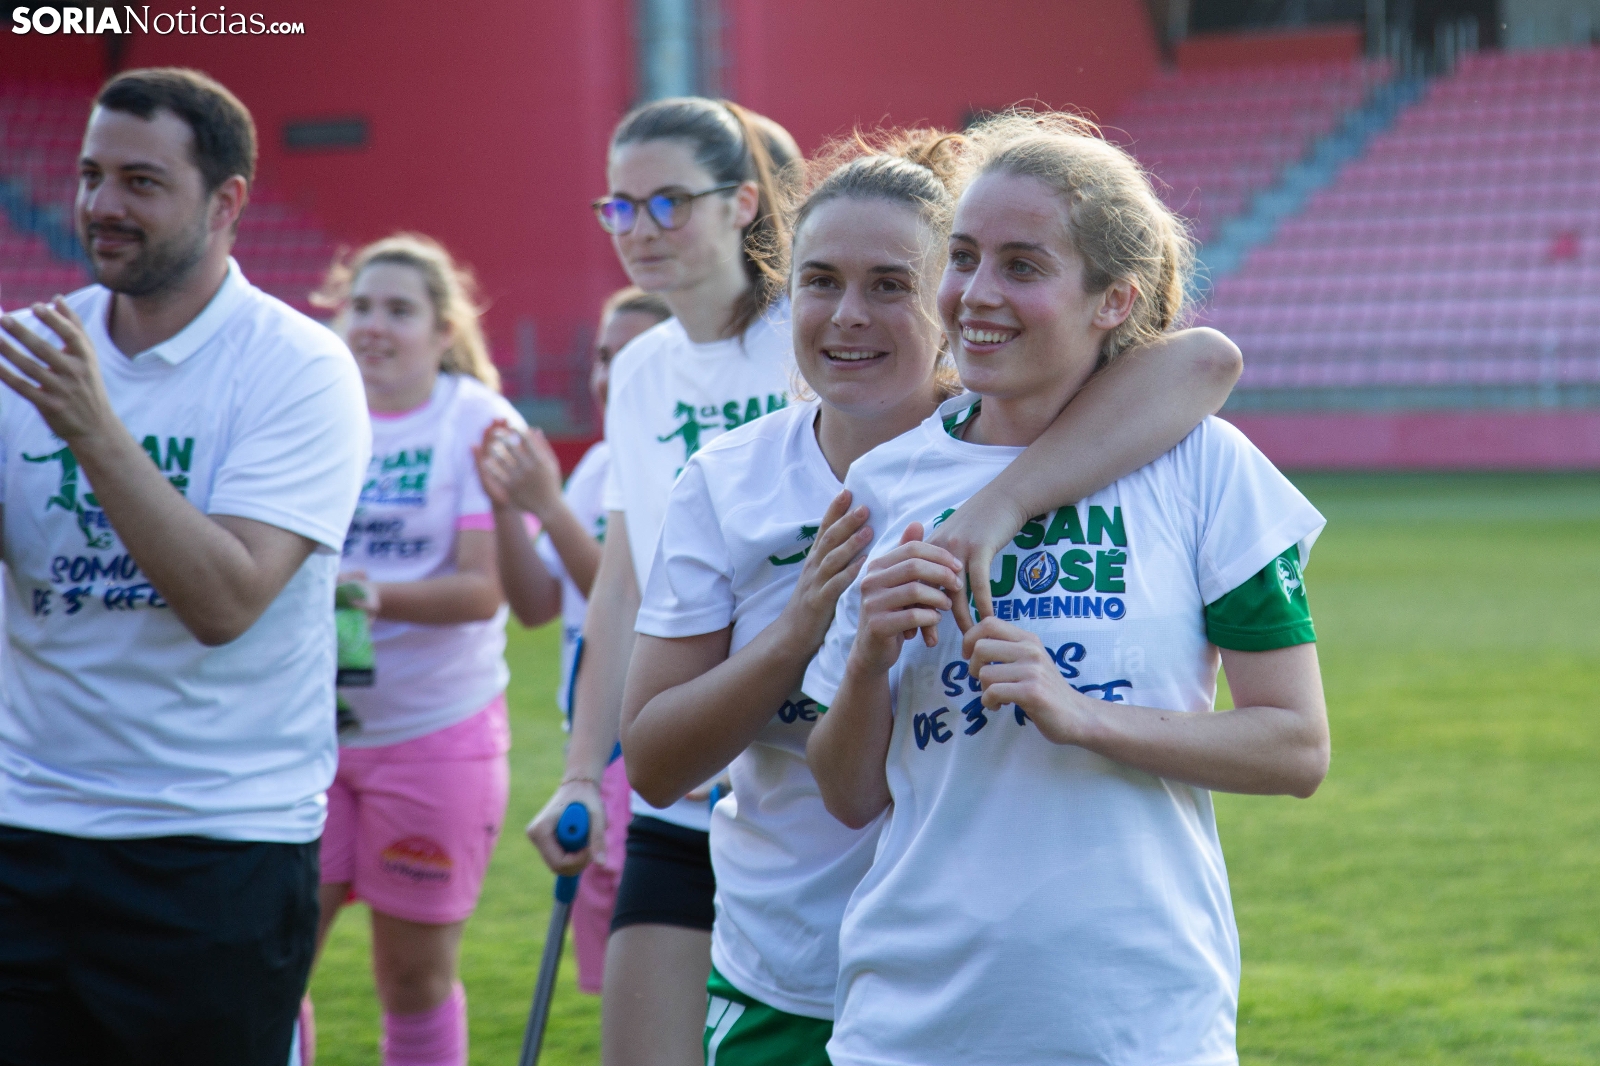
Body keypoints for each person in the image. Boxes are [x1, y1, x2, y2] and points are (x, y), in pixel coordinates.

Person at [620, 129, 1243, 1064]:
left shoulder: (1033, 433)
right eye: (820, 281)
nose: (849, 317)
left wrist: (998, 504)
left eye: (891, 285)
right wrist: (802, 630)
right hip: (792, 965)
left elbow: (1205, 361)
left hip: (978, 983)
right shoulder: (730, 481)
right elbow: (656, 762)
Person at [804, 111, 1331, 1066]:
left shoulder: (1206, 465)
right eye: (964, 258)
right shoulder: (887, 482)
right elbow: (848, 796)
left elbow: (1295, 748)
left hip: (1137, 1022)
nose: (976, 295)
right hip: (910, 1027)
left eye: (1023, 266)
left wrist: (1081, 714)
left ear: (1113, 300)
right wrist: (868, 656)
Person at [0, 68, 368, 1063]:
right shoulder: (28, 353)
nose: (101, 205)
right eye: (90, 174)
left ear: (226, 201)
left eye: (141, 181)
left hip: (217, 845)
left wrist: (92, 428)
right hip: (26, 828)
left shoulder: (298, 368)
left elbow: (226, 599)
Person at [522, 96, 802, 1066]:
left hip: (815, 794)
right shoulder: (640, 370)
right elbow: (623, 588)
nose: (639, 229)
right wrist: (580, 773)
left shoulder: (813, 334)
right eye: (621, 206)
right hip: (677, 788)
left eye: (668, 202)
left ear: (741, 203)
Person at [298, 234, 521, 1066]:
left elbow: (484, 590)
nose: (374, 325)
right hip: (302, 737)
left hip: (435, 735)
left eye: (399, 310)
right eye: (361, 306)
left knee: (413, 979)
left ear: (443, 328)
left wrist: (365, 594)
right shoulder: (308, 405)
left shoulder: (477, 421)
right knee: (271, 964)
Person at [473, 284, 672, 995]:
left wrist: (550, 508)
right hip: (586, 743)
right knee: (615, 988)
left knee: (655, 976)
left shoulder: (679, 466)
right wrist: (506, 509)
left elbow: (636, 603)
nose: (610, 375)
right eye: (603, 356)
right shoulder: (596, 467)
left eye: (633, 356)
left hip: (646, 750)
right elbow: (534, 606)